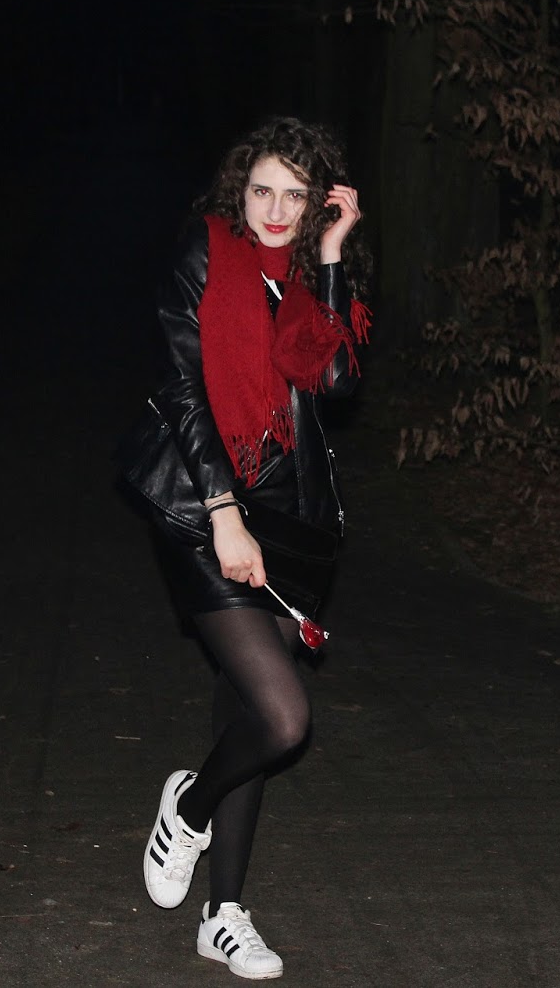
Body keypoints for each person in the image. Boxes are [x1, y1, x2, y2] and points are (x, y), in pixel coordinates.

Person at [115, 116, 370, 980]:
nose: (276, 210)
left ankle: (222, 914)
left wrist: (330, 258)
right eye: (263, 189)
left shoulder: (306, 275)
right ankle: (189, 808)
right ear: (239, 188)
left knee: (246, 718)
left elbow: (334, 380)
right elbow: (184, 388)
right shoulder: (205, 252)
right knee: (285, 716)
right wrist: (224, 512)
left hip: (288, 523)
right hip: (204, 507)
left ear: (316, 203)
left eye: (297, 196)